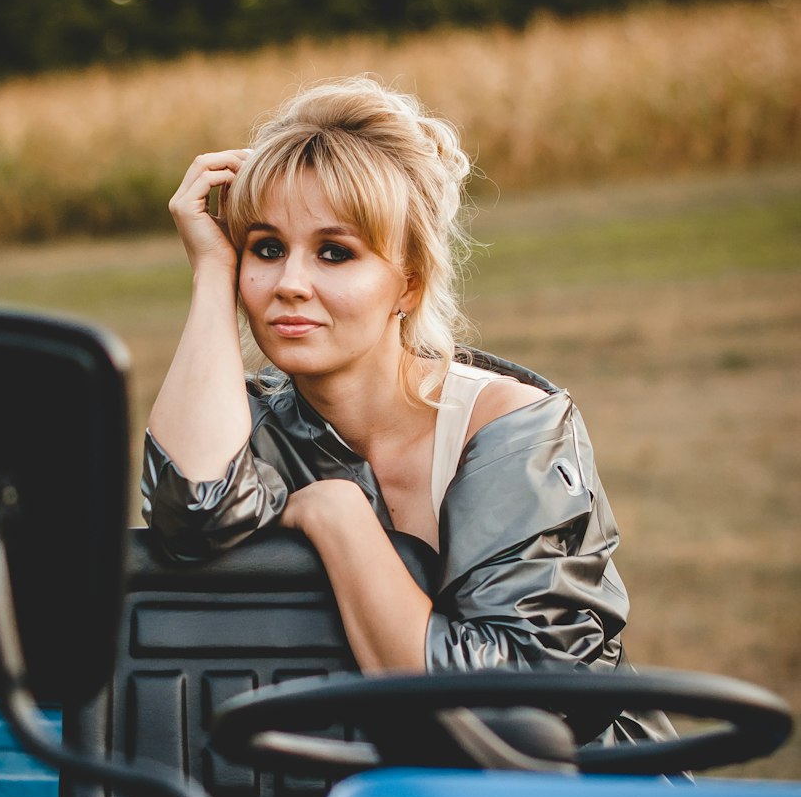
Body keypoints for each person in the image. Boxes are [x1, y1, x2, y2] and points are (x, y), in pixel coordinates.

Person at [142, 75, 666, 744]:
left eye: (335, 252)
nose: (289, 284)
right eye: (266, 248)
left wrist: (342, 518)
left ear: (409, 282)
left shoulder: (510, 426)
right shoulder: (250, 423)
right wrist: (211, 273)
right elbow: (190, 511)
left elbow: (527, 708)